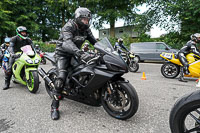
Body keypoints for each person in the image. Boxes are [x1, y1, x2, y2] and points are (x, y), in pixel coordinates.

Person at [51, 7, 97, 120]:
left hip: (75, 54)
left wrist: (107, 50)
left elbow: (95, 42)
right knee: (61, 77)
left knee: (86, 70)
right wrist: (80, 53)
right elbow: (67, 43)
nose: (86, 21)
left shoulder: (86, 29)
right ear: (78, 18)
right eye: (84, 19)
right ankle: (54, 107)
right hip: (62, 54)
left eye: (88, 19)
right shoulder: (68, 26)